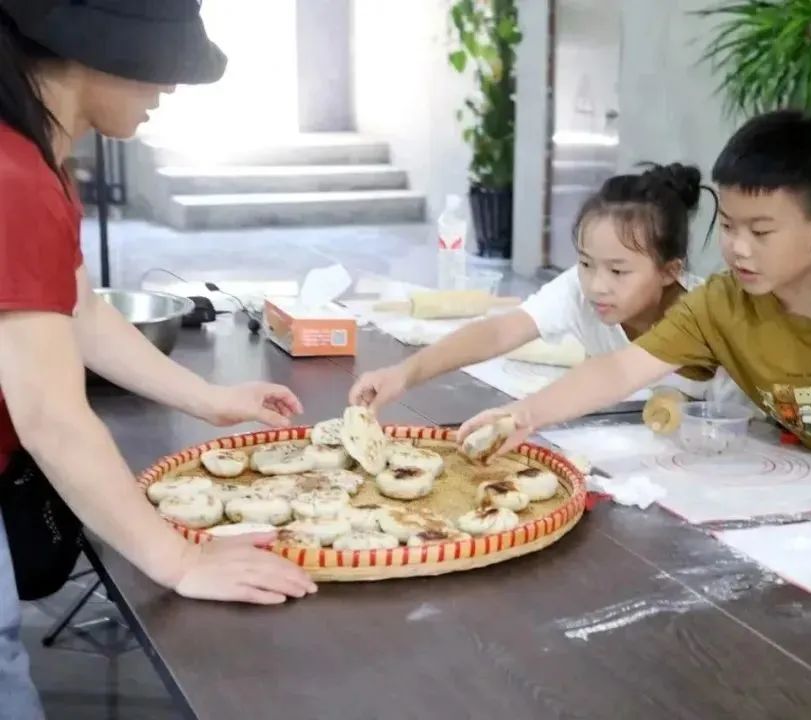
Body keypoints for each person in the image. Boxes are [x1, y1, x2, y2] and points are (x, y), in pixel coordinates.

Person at [0, 1, 316, 716]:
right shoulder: (13, 178)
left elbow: (80, 311)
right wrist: (180, 559)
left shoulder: (36, 159)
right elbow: (50, 416)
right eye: (159, 67)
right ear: (89, 52)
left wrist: (208, 399)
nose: (168, 88)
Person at [457, 110, 811, 486]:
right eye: (727, 225)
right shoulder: (721, 303)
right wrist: (523, 416)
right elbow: (618, 371)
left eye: (761, 232)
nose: (738, 248)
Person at [349, 163, 739, 410]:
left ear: (670, 271)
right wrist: (404, 374)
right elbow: (499, 331)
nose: (597, 285)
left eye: (619, 271)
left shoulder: (708, 313)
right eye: (586, 263)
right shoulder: (577, 292)